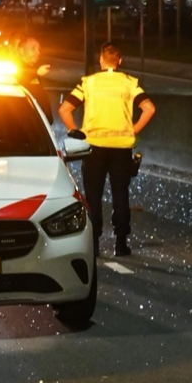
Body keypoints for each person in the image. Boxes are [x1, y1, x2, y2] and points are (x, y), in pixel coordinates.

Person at [59, 43, 155, 256]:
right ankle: (121, 243)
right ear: (119, 61)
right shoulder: (130, 83)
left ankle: (94, 243)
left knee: (93, 196)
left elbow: (65, 109)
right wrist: (133, 129)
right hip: (121, 148)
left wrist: (75, 130)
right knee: (120, 194)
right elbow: (149, 108)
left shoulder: (88, 82)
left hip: (93, 147)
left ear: (100, 60)